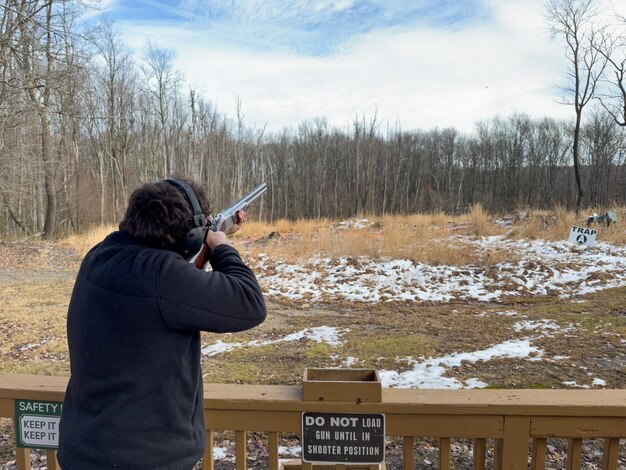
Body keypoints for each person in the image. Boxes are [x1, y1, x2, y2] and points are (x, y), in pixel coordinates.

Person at [58, 178, 266, 470]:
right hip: (146, 459)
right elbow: (249, 302)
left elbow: (168, 291)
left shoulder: (99, 255)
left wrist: (202, 243)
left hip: (82, 450)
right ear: (191, 236)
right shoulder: (162, 277)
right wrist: (220, 246)